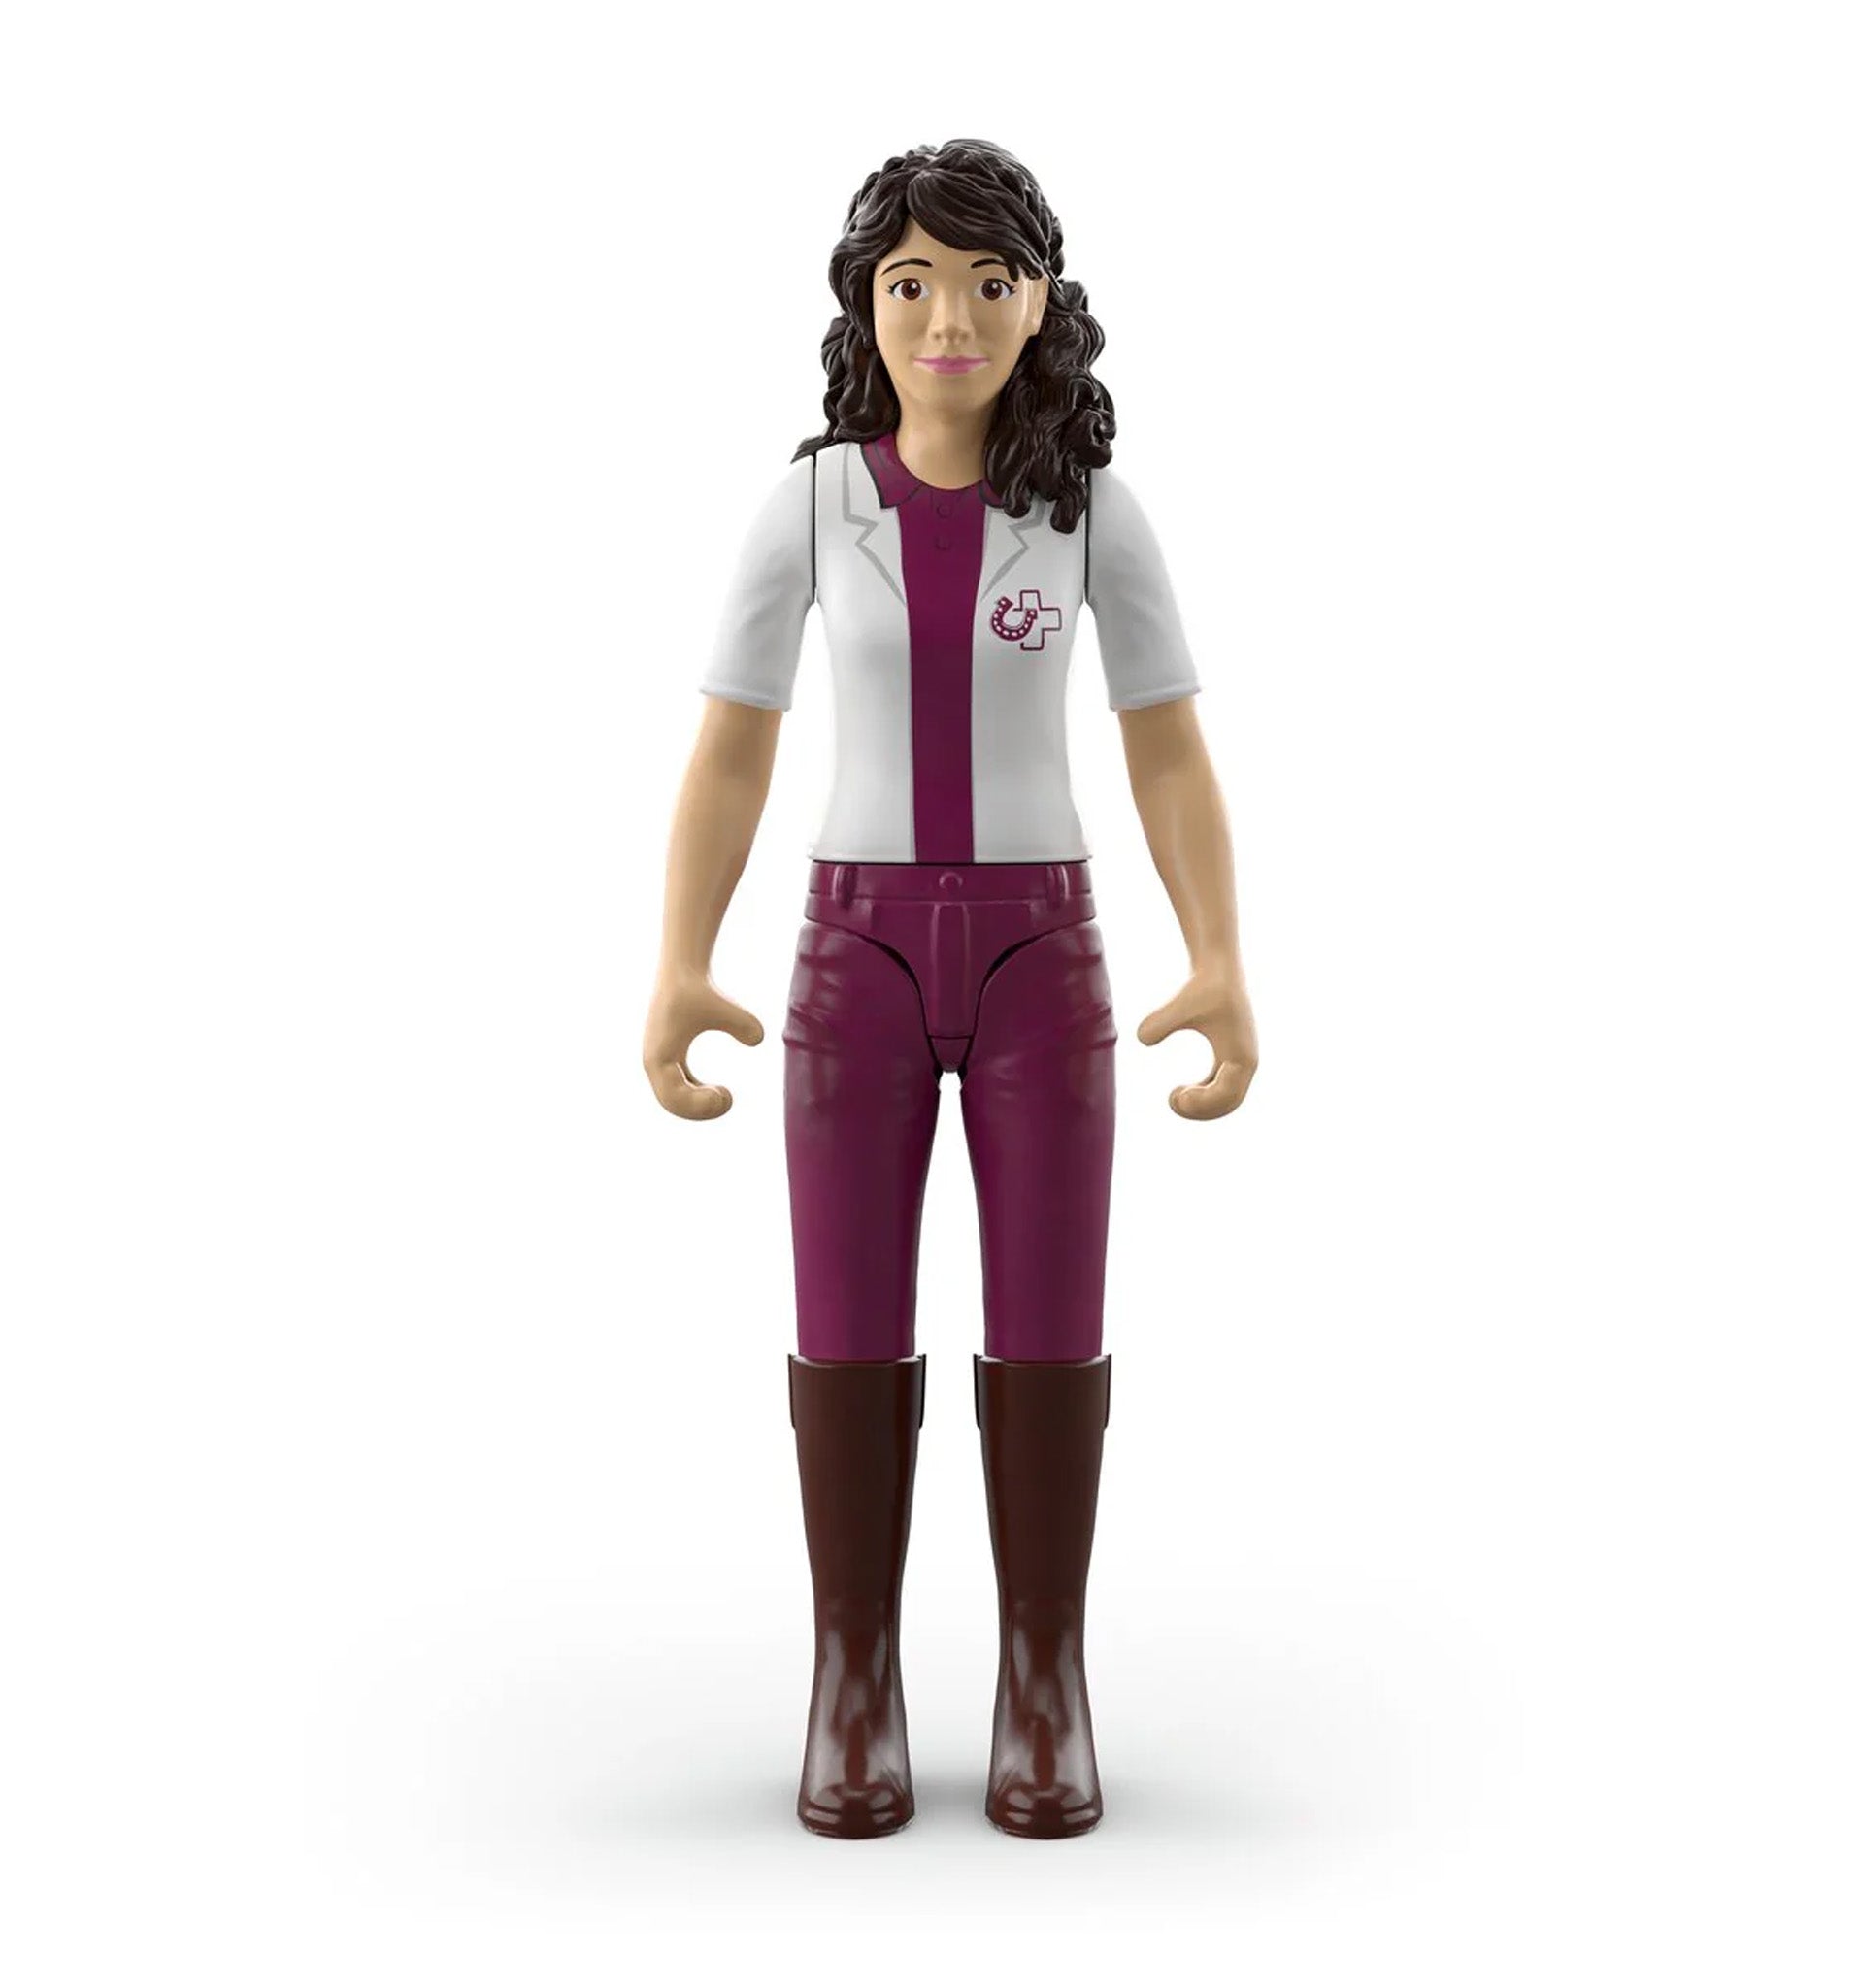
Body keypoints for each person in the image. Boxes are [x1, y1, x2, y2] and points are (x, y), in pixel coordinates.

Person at [642, 138, 1256, 1839]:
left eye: (990, 283)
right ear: (866, 304)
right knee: (846, 1309)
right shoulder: (811, 506)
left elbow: (1168, 746)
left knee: (1051, 1309)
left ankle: (1044, 1675)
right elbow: (730, 749)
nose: (950, 320)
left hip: (1044, 953)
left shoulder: (1089, 509)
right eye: (911, 284)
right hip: (854, 952)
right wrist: (681, 960)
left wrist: (1218, 954)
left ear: (1042, 302)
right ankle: (854, 1674)